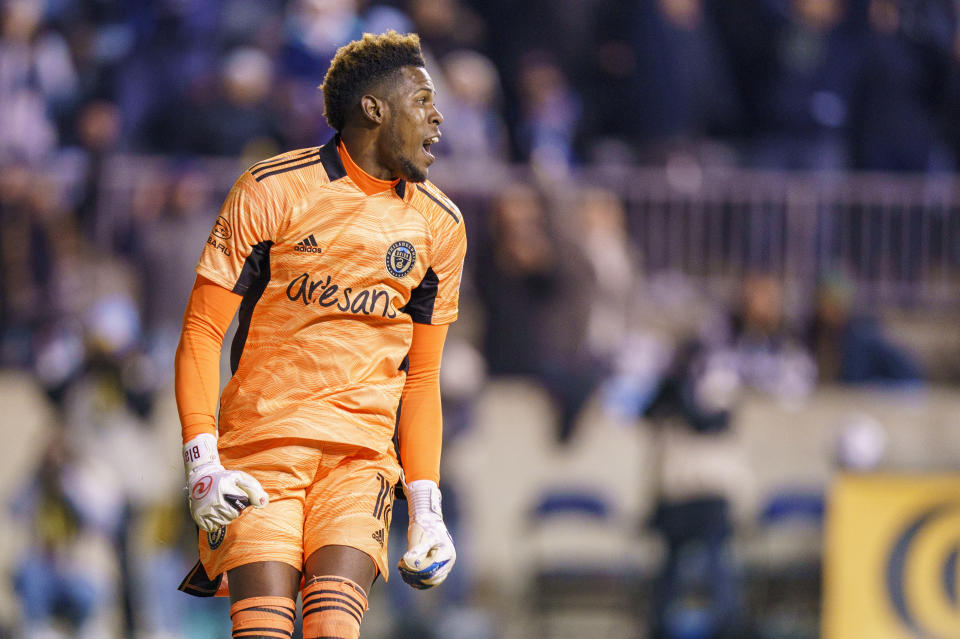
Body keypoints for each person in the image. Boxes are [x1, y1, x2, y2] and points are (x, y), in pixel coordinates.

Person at [172, 31, 466, 639]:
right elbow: (202, 330)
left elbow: (423, 376)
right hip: (260, 454)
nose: (438, 117)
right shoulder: (271, 190)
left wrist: (428, 508)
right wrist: (202, 463)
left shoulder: (441, 226)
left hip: (360, 460)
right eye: (422, 101)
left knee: (333, 627)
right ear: (374, 109)